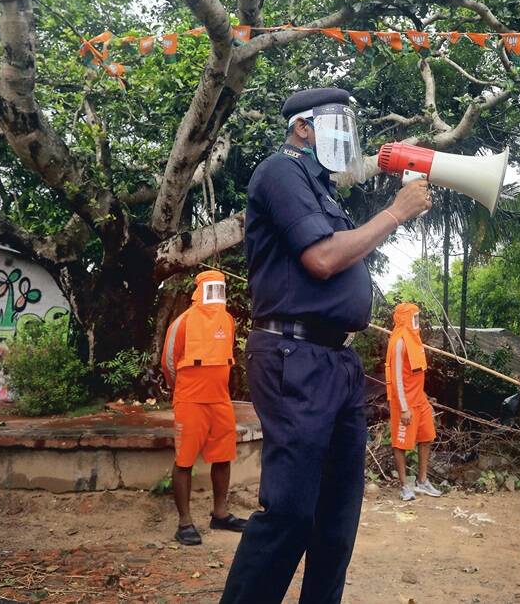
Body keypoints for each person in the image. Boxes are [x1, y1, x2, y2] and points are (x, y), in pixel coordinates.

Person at [220, 88, 431, 603]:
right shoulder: (280, 171)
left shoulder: (323, 190)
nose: (343, 135)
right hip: (295, 357)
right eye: (336, 125)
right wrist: (395, 213)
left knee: (337, 517)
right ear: (303, 128)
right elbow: (320, 259)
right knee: (291, 510)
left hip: (336, 361)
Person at [160, 270, 248, 545]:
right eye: (211, 287)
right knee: (184, 460)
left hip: (220, 400)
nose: (216, 292)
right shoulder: (182, 322)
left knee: (223, 456)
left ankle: (220, 513)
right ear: (199, 290)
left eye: (220, 287)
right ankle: (184, 522)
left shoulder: (228, 320)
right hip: (190, 400)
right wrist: (183, 392)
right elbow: (169, 363)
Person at [384, 302, 442, 501]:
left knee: (427, 436)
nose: (416, 321)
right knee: (400, 443)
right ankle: (404, 486)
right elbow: (397, 377)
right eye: (414, 317)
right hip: (404, 402)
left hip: (419, 398)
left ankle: (422, 481)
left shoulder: (414, 339)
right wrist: (404, 407)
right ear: (405, 318)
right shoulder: (399, 341)